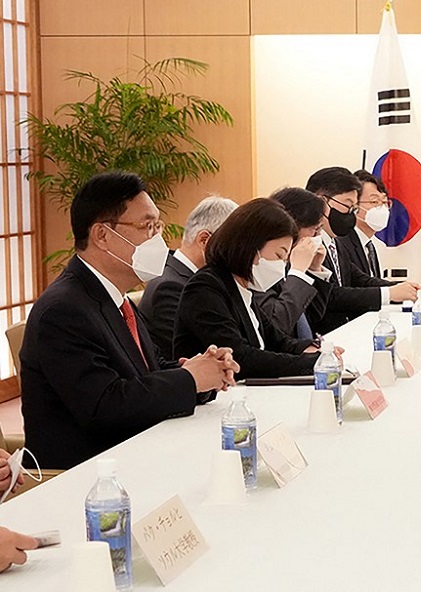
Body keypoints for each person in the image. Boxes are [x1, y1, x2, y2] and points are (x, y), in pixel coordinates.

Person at [20, 172, 238, 470]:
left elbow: (147, 370)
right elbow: (105, 406)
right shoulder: (63, 310)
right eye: (146, 226)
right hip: (85, 476)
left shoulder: (115, 297)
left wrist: (200, 370)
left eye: (157, 226)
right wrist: (189, 379)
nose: (157, 238)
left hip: (136, 453)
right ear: (102, 235)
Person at [173, 198, 323, 379]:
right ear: (251, 246)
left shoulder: (242, 288)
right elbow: (240, 357)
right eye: (279, 255)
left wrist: (313, 349)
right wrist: (312, 363)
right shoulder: (205, 288)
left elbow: (277, 340)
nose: (281, 266)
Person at [305, 167, 420, 333]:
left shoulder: (335, 241)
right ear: (321, 201)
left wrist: (406, 288)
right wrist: (389, 293)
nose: (350, 214)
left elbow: (360, 279)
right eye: (347, 206)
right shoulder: (309, 245)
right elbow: (331, 295)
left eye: (353, 208)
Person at [138, 195, 237, 356]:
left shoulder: (204, 282)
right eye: (235, 247)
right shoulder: (170, 287)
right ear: (204, 240)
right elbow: (189, 357)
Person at [254, 187, 333, 338]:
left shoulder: (291, 261)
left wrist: (315, 269)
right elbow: (278, 325)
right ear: (292, 225)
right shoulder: (263, 265)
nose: (317, 236)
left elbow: (313, 317)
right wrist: (297, 272)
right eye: (314, 230)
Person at [340, 169, 390, 278]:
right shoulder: (343, 243)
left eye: (385, 202)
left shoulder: (370, 245)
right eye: (374, 202)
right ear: (354, 205)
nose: (382, 208)